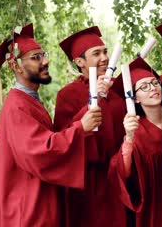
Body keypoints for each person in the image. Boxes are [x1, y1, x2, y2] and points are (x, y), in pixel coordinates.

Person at [0, 24, 102, 227]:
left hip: (36, 205)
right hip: (25, 211)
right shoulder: (17, 106)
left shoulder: (30, 100)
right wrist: (80, 127)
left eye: (43, 55)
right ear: (16, 66)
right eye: (36, 57)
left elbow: (50, 139)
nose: (46, 61)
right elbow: (40, 151)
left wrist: (86, 113)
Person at [54, 26, 127, 227]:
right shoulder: (67, 95)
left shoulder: (118, 88)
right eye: (96, 54)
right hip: (87, 184)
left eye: (105, 51)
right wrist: (95, 99)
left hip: (119, 179)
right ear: (80, 62)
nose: (104, 57)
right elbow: (63, 138)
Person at [108, 57, 162, 227]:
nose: (152, 88)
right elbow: (122, 172)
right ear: (135, 98)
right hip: (159, 203)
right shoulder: (136, 130)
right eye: (144, 87)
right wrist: (129, 138)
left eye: (154, 83)